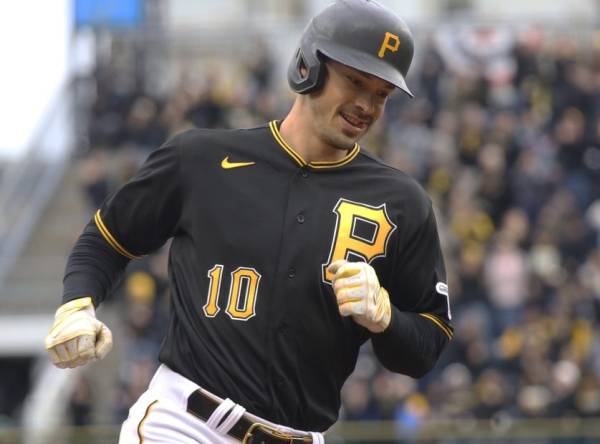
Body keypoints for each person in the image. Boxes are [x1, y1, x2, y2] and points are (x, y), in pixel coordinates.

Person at [43, 1, 454, 442]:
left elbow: (428, 343)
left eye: (381, 93)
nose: (366, 105)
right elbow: (108, 239)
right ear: (307, 66)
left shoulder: (402, 202)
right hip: (187, 424)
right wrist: (77, 303)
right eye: (354, 81)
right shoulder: (201, 159)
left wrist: (386, 317)